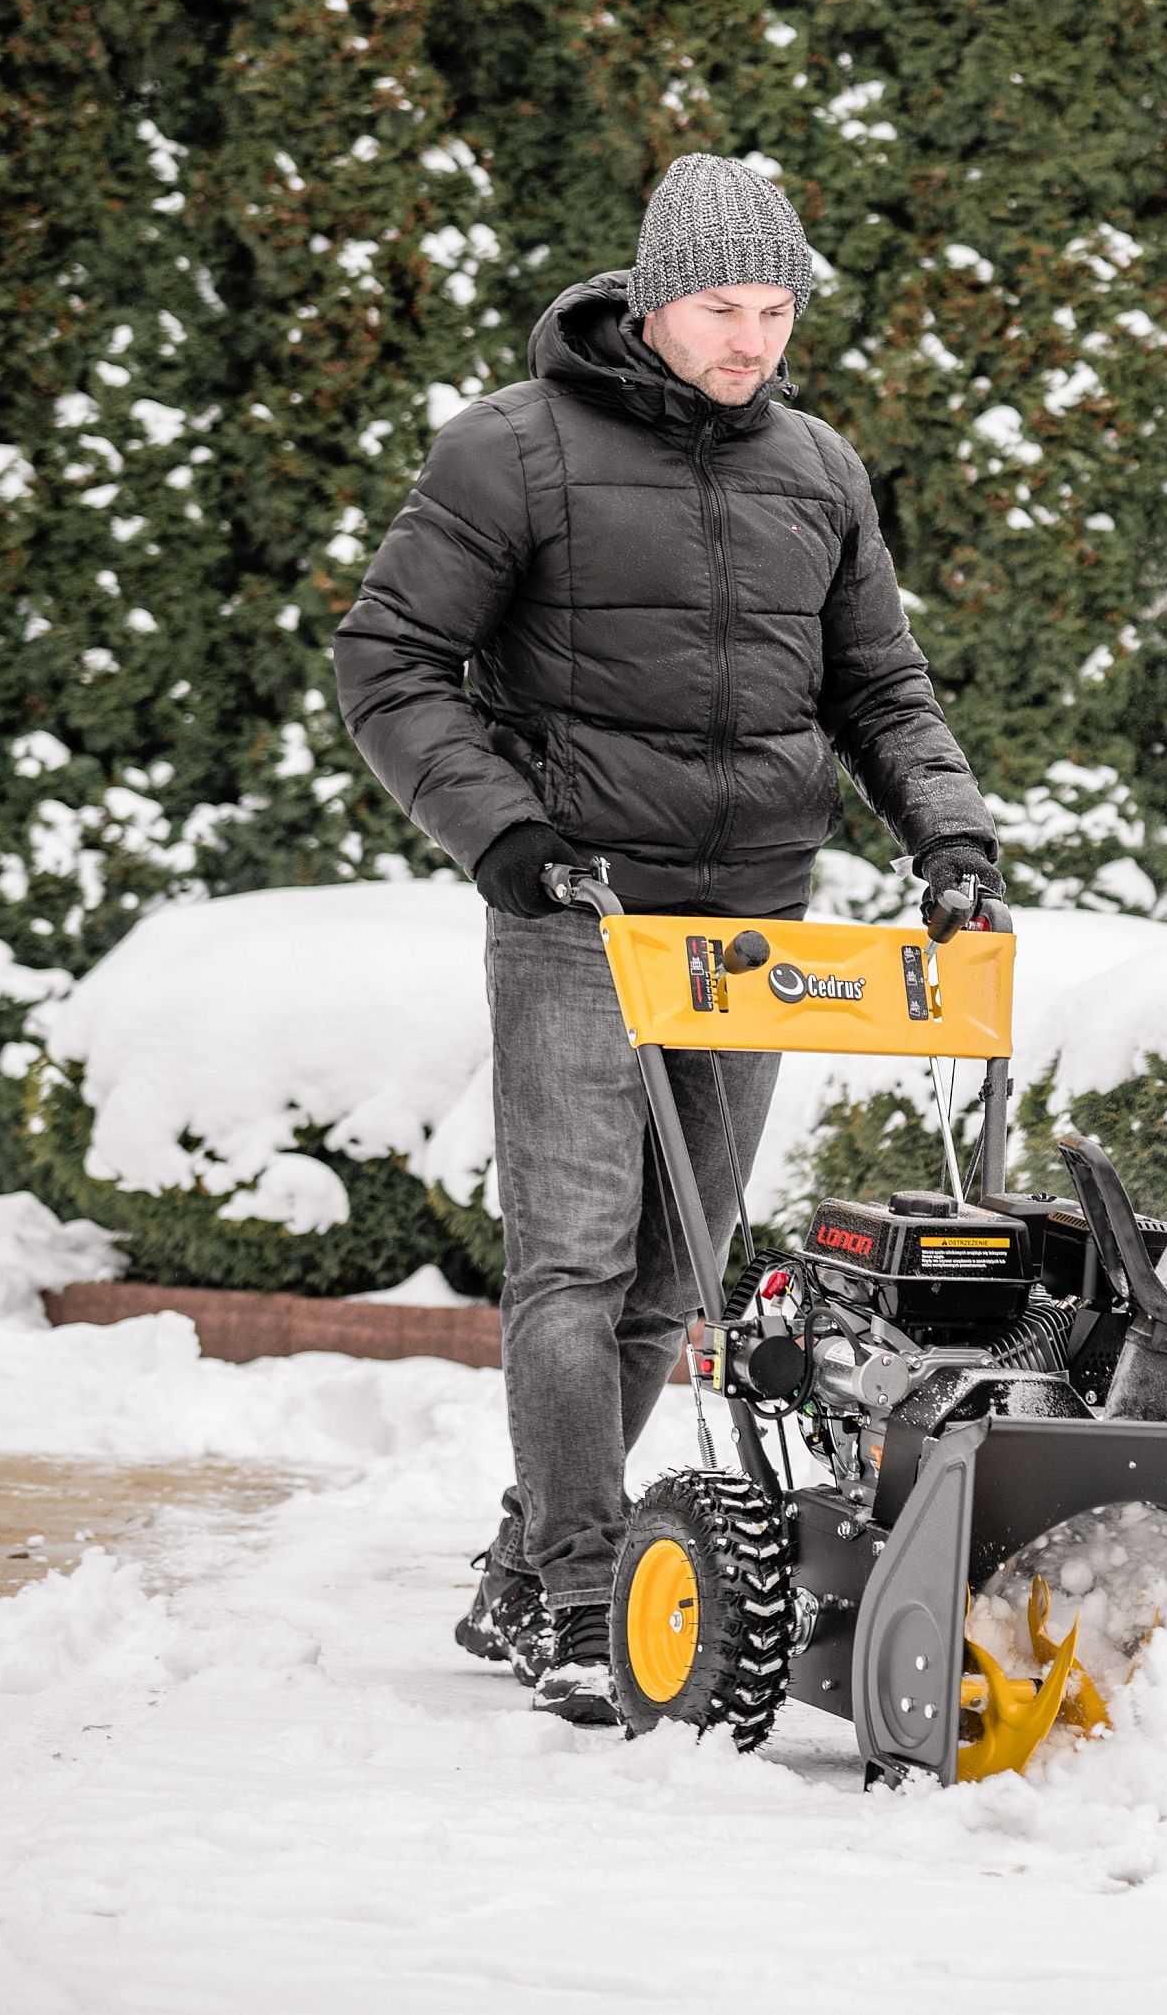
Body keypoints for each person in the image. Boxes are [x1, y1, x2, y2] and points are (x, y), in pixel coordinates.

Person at [334, 153, 1003, 1716]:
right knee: (569, 1265)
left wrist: (952, 838)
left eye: (775, 309)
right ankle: (576, 1593)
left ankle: (523, 1568)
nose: (750, 339)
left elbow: (879, 690)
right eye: (722, 306)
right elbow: (389, 661)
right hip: (581, 913)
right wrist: (505, 830)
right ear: (649, 298)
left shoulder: (820, 469)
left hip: (751, 931)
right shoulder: (510, 452)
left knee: (669, 1285)